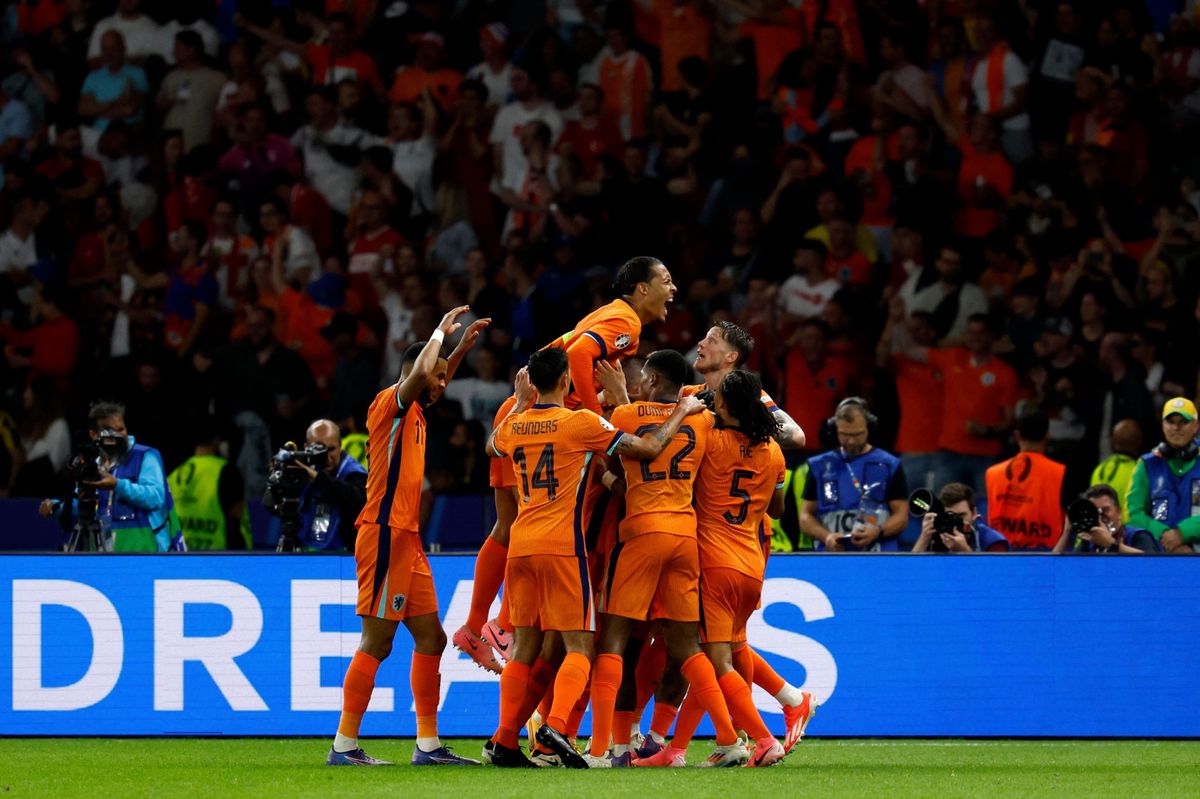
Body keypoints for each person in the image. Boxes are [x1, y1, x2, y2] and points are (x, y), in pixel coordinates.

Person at [481, 347, 706, 768]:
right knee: (582, 645)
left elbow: (493, 447)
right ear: (567, 381)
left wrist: (519, 403)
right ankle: (557, 725)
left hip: (521, 545)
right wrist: (680, 413)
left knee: (525, 647)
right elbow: (646, 448)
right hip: (563, 546)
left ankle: (504, 739)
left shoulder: (517, 425)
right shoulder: (581, 423)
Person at [452, 256, 678, 672]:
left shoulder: (615, 318)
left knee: (509, 525)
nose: (673, 289)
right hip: (547, 422)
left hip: (523, 416)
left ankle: (476, 626)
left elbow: (571, 352)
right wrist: (595, 414)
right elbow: (577, 354)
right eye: (666, 280)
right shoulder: (626, 321)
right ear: (642, 289)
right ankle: (500, 625)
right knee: (544, 519)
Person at [327, 305, 489, 767]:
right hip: (383, 533)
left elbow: (431, 376)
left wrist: (457, 351)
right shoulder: (390, 403)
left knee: (431, 639)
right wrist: (439, 330)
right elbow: (422, 373)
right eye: (438, 376)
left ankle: (428, 745)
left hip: (408, 539)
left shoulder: (416, 410)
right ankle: (344, 744)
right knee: (376, 642)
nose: (443, 384)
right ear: (415, 374)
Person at [586, 350, 763, 768]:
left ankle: (603, 750)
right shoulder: (701, 421)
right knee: (686, 645)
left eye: (642, 377)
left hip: (641, 533)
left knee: (615, 639)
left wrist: (606, 470)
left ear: (650, 379)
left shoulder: (627, 416)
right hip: (685, 536)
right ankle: (729, 737)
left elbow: (629, 457)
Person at [642, 370, 789, 768]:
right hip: (751, 566)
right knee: (711, 660)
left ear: (723, 404)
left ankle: (761, 739)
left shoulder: (712, 437)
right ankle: (677, 750)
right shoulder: (774, 451)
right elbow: (778, 509)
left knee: (714, 660)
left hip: (714, 562)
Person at [38, 401, 182, 552]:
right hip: (107, 561)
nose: (119, 435)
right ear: (94, 435)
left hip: (146, 558)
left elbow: (156, 498)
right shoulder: (92, 466)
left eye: (121, 429)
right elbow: (89, 507)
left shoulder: (145, 456)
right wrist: (57, 507)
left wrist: (117, 485)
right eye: (111, 431)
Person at [800, 398, 909, 551]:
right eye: (844, 434)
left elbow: (902, 516)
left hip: (878, 556)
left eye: (858, 434)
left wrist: (877, 531)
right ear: (834, 429)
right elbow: (805, 516)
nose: (851, 441)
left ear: (869, 428)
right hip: (832, 557)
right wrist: (827, 537)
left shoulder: (890, 465)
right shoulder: (819, 466)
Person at [281, 419, 367, 553]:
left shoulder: (355, 473)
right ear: (306, 447)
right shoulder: (300, 470)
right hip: (305, 553)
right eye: (319, 450)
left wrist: (317, 478)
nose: (326, 457)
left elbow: (357, 499)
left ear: (340, 446)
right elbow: (272, 505)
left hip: (344, 558)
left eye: (331, 449)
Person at [1127, 397, 1200, 554]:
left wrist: (1182, 533)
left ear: (1196, 426)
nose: (1176, 427)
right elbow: (1133, 513)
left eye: (1183, 422)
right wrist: (1164, 535)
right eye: (1170, 422)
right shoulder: (1147, 464)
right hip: (1159, 555)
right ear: (1162, 426)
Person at [984, 410, 1066, 550]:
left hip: (1002, 556)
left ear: (1017, 435)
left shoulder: (992, 473)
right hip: (1046, 557)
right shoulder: (1061, 472)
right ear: (1047, 436)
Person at [167, 418, 246, 550]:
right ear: (217, 440)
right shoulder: (227, 471)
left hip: (181, 556)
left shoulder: (174, 474)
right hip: (218, 558)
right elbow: (237, 515)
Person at [1053, 483, 1159, 554]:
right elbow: (1051, 568)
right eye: (1096, 512)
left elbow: (1153, 565)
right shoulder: (1088, 544)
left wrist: (1111, 544)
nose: (1101, 516)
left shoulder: (1138, 536)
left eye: (1106, 510)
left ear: (1119, 511)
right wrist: (1067, 532)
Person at [912, 482, 1009, 552]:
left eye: (961, 515)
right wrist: (924, 538)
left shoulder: (993, 542)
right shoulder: (935, 535)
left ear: (974, 513)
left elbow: (995, 578)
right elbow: (908, 572)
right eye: (950, 515)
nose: (957, 520)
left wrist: (965, 551)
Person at [1090, 419, 1142, 522]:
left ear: (1112, 441)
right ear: (1139, 442)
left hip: (1100, 533)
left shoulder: (1099, 470)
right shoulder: (1140, 472)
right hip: (1127, 535)